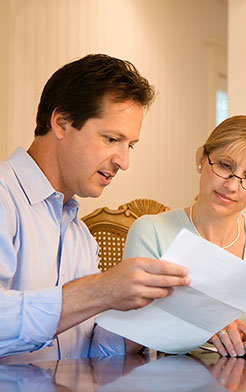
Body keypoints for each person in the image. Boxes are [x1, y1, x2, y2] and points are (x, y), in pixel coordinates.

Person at [0, 54, 190, 363]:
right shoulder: (4, 199)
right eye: (112, 139)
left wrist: (156, 313)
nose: (124, 162)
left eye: (130, 145)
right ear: (61, 122)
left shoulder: (80, 235)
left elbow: (91, 351)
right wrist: (100, 290)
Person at [123, 115, 246, 357]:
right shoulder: (150, 231)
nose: (232, 186)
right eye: (225, 165)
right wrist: (203, 325)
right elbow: (130, 337)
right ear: (201, 159)